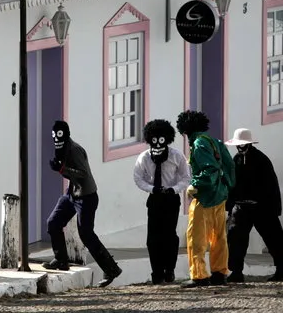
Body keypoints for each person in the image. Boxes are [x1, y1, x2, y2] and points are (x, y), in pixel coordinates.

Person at [42, 120, 123, 288]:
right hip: (72, 194)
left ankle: (111, 269)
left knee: (86, 234)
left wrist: (63, 170)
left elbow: (83, 174)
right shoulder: (61, 148)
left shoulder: (74, 150)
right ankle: (61, 259)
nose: (57, 142)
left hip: (86, 197)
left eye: (60, 137)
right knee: (53, 222)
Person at [176, 110, 235, 288]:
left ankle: (199, 275)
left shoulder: (199, 143)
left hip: (205, 197)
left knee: (196, 237)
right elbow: (229, 165)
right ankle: (219, 273)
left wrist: (195, 185)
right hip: (220, 195)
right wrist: (225, 186)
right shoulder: (215, 141)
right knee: (219, 237)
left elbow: (208, 169)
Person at [224, 128, 283, 283]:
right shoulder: (236, 160)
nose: (240, 147)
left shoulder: (262, 160)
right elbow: (232, 185)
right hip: (241, 208)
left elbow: (271, 185)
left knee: (274, 237)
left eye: (243, 144)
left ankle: (282, 268)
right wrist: (230, 206)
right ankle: (236, 271)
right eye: (238, 144)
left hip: (263, 207)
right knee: (235, 238)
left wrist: (273, 208)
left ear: (249, 143)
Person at [134, 119, 191, 284]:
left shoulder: (176, 156)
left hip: (171, 199)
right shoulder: (144, 157)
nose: (158, 144)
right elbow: (138, 178)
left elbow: (186, 177)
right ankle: (156, 272)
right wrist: (152, 189)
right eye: (154, 140)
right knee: (153, 238)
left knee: (169, 236)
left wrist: (174, 189)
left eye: (161, 140)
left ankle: (169, 269)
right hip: (154, 199)